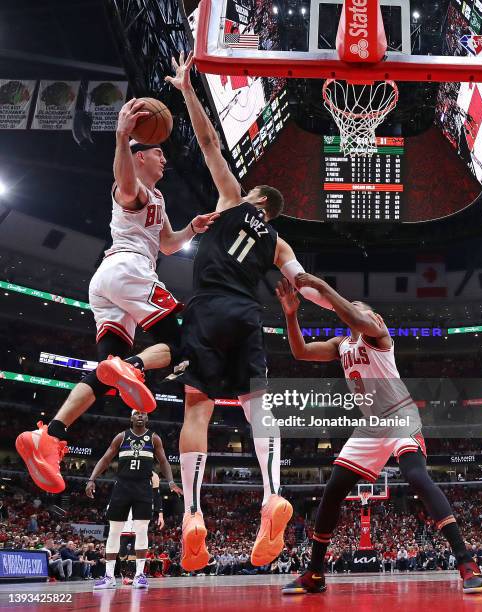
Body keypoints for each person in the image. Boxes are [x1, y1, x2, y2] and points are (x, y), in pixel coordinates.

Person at [164, 51, 338, 573]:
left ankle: (193, 513)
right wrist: (348, 313)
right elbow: (306, 289)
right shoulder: (280, 244)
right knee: (258, 405)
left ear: (255, 197)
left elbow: (211, 142)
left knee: (198, 406)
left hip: (208, 306)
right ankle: (271, 495)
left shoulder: (232, 199)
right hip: (247, 312)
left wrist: (187, 90)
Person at [15, 98, 218, 495]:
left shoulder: (156, 200)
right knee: (184, 346)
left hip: (108, 282)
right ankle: (136, 365)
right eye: (158, 152)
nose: (164, 159)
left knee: (106, 373)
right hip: (129, 271)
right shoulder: (134, 187)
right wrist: (122, 137)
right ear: (139, 157)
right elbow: (124, 182)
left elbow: (169, 245)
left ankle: (50, 434)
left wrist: (192, 227)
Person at [277, 275, 482, 595]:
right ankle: (315, 573)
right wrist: (291, 315)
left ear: (375, 318)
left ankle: (465, 560)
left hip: (401, 413)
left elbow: (353, 315)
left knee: (416, 476)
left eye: (361, 309)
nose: (355, 312)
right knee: (333, 489)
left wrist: (323, 287)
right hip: (371, 424)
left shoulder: (377, 334)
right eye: (353, 308)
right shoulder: (340, 345)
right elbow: (301, 352)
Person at [85, 410, 182, 589]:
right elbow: (106, 458)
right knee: (114, 531)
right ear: (131, 418)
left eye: (143, 414)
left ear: (147, 418)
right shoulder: (121, 437)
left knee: (141, 530)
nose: (140, 416)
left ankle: (139, 575)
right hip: (122, 486)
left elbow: (163, 461)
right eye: (136, 413)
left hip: (143, 488)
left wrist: (170, 481)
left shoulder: (154, 438)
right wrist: (91, 479)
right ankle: (109, 577)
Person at [119, 471, 164, 585]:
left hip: (142, 509)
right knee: (122, 546)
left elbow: (157, 495)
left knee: (137, 545)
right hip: (126, 509)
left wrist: (160, 513)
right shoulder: (129, 470)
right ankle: (124, 572)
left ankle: (133, 574)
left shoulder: (154, 476)